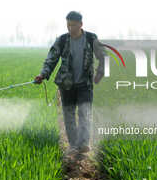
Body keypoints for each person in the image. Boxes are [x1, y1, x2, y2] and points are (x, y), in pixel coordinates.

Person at [34, 11, 106, 154]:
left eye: (73, 25)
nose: (70, 28)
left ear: (81, 24)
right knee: (69, 115)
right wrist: (43, 74)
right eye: (68, 25)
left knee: (85, 113)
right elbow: (51, 59)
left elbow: (103, 57)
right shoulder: (61, 40)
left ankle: (84, 143)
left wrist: (100, 73)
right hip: (66, 85)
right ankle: (73, 145)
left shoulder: (91, 38)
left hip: (85, 84)